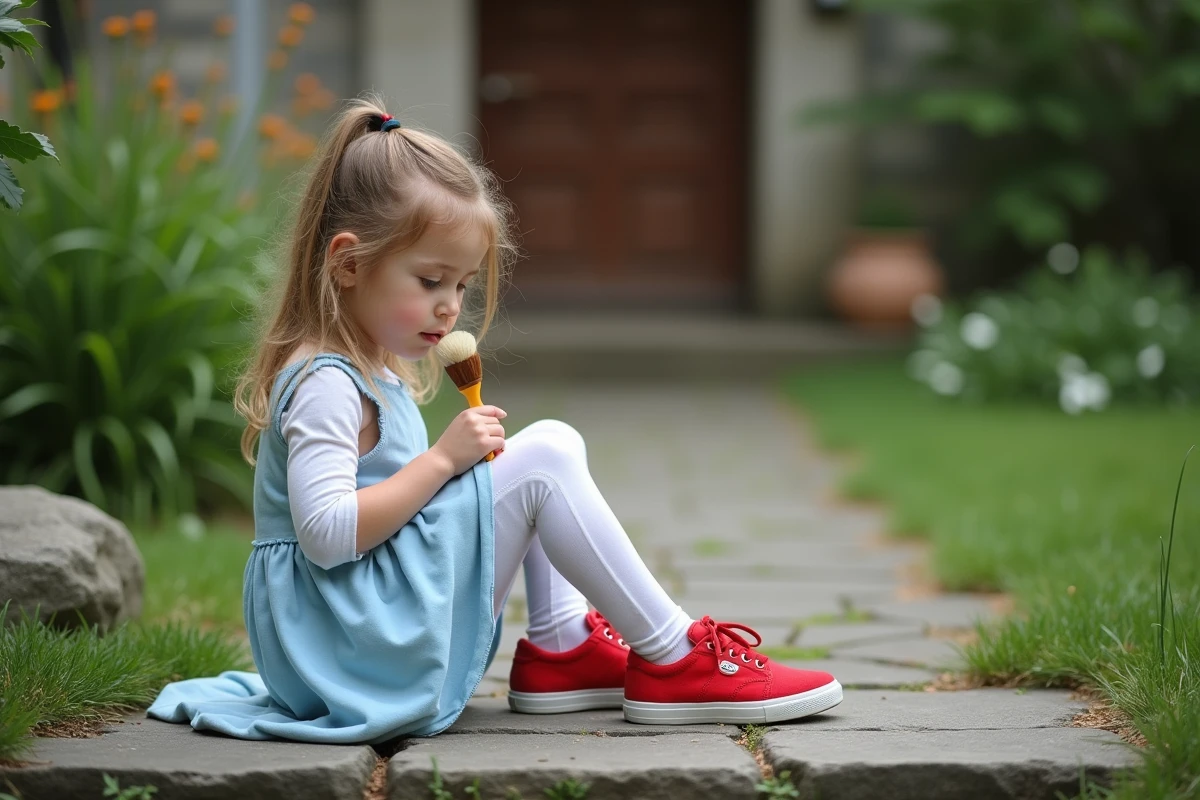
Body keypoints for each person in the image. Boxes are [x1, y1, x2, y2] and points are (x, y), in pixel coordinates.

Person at [146, 98, 843, 744]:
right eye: (430, 280)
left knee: (544, 450)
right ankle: (673, 657)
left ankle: (563, 648)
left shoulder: (369, 366)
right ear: (349, 264)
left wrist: (461, 470)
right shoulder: (327, 382)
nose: (450, 306)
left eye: (461, 284)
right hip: (350, 648)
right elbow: (326, 537)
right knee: (543, 460)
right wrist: (442, 463)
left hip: (364, 628)